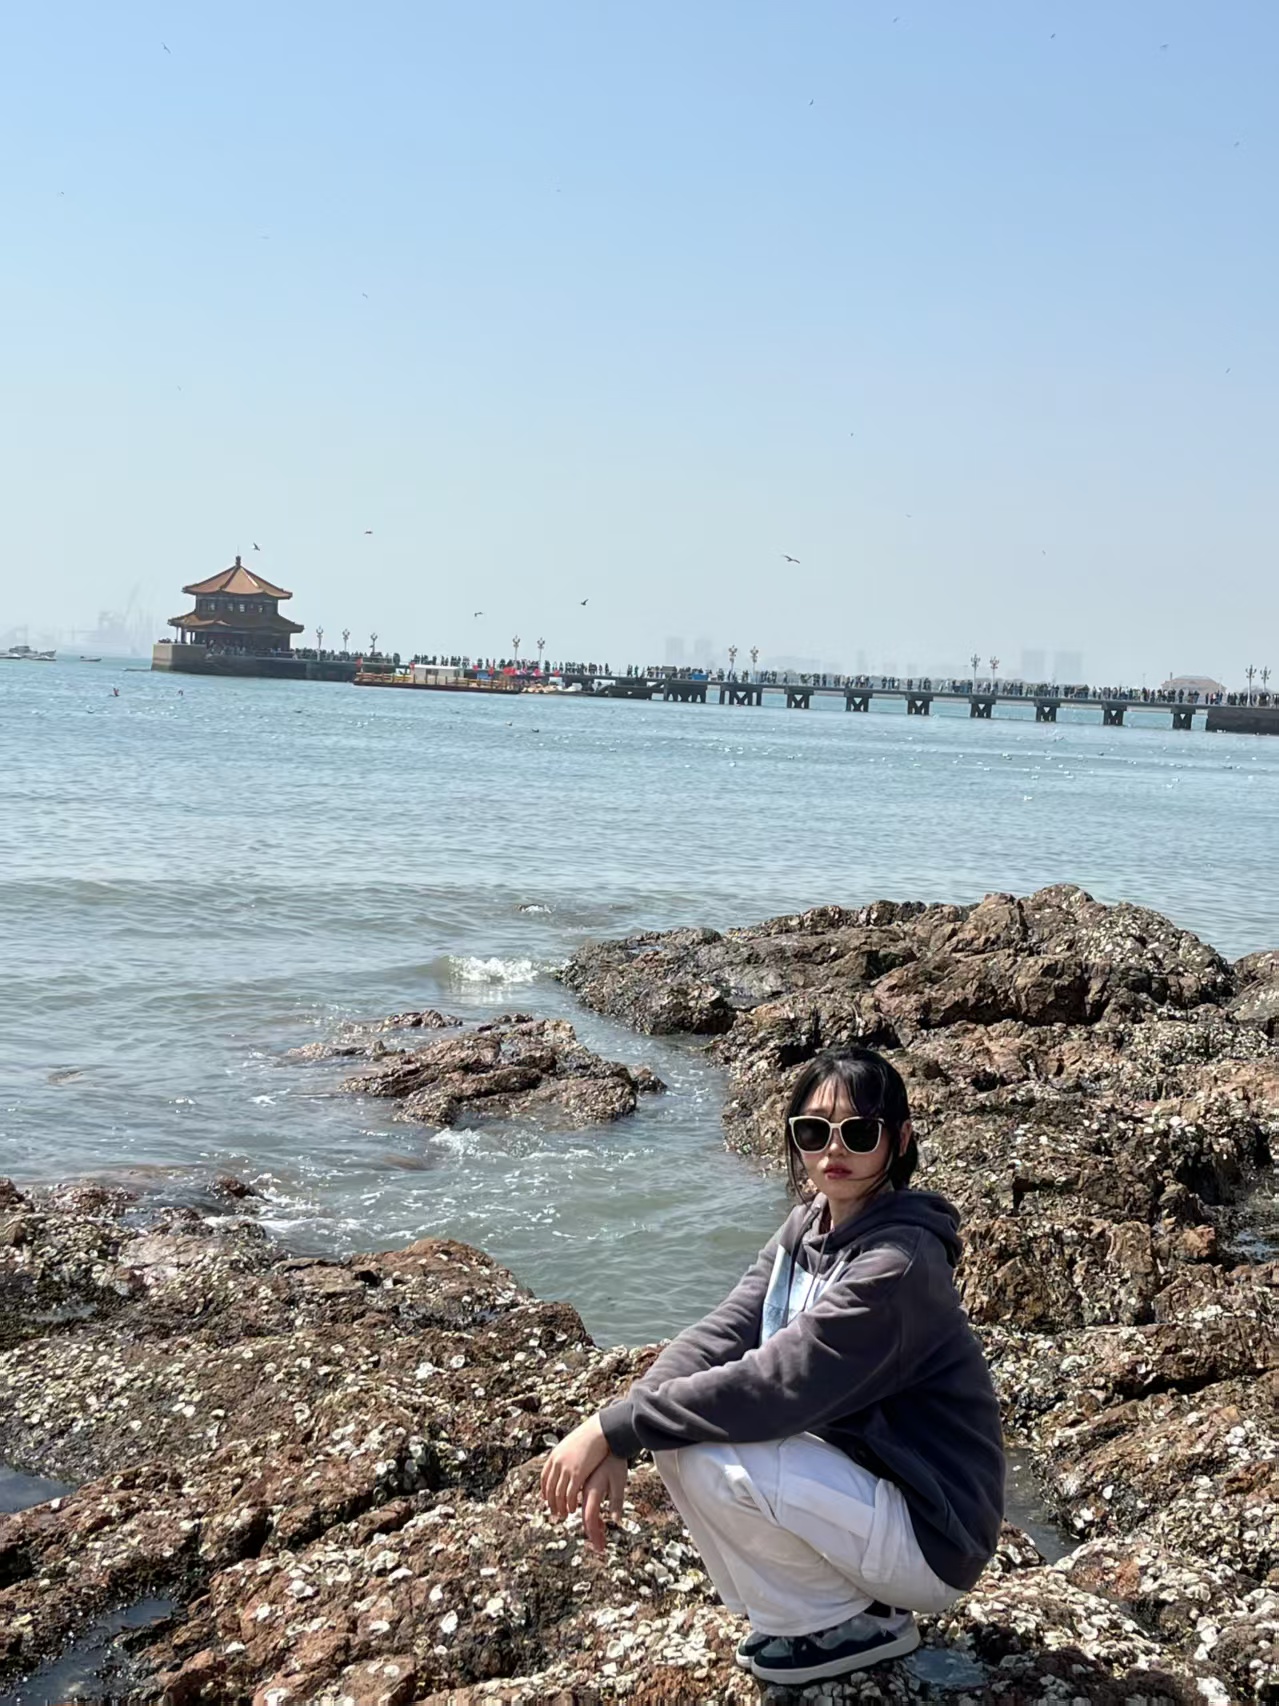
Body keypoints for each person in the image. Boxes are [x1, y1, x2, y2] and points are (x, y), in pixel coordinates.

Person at [540, 1046, 1005, 1687]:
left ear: (899, 1141)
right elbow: (723, 1331)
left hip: (933, 1533)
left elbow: (774, 1384)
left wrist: (614, 1429)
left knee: (708, 1448)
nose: (833, 1149)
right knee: (676, 1432)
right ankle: (821, 1611)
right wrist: (623, 1424)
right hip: (874, 1489)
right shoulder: (807, 1226)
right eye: (813, 1131)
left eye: (859, 1133)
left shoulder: (897, 1265)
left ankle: (849, 1624)